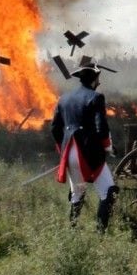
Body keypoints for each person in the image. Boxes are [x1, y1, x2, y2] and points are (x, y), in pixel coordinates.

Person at [50, 61, 118, 232]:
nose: (99, 83)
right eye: (98, 79)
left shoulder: (63, 99)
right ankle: (100, 235)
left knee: (77, 194)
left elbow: (54, 128)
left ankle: (72, 231)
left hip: (69, 154)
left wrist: (64, 150)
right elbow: (101, 128)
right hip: (89, 154)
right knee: (109, 192)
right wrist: (108, 148)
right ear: (94, 80)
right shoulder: (96, 97)